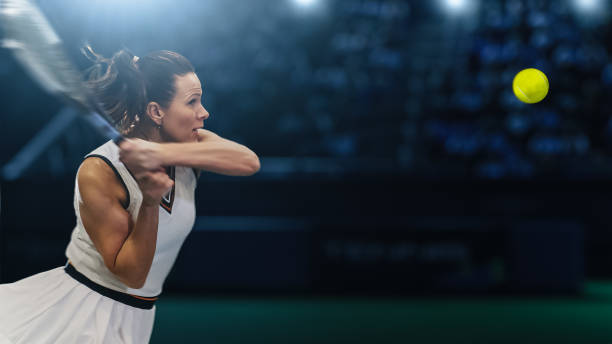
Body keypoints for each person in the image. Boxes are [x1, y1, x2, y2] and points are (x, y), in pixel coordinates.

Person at [0, 46, 260, 344]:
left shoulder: (190, 145)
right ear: (156, 112)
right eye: (192, 102)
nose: (204, 112)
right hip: (82, 316)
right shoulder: (99, 169)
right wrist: (148, 203)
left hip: (136, 317)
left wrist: (157, 151)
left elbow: (249, 162)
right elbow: (131, 276)